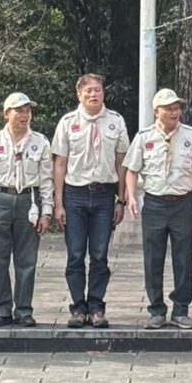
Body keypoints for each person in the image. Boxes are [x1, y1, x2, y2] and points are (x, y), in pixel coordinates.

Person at [125, 88, 192, 331]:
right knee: (152, 258)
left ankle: (181, 309)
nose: (175, 112)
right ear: (157, 111)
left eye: (177, 108)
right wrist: (131, 196)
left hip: (182, 203)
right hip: (154, 203)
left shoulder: (190, 135)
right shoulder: (144, 137)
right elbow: (131, 170)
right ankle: (156, 310)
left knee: (183, 257)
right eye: (169, 108)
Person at [53, 74, 130, 328]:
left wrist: (121, 199)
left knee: (99, 254)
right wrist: (58, 203)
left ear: (103, 93)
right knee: (75, 254)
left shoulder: (116, 121)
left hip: (104, 194)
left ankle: (96, 306)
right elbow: (60, 164)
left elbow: (122, 162)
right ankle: (78, 307)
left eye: (97, 90)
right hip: (75, 194)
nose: (93, 95)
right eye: (88, 91)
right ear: (79, 95)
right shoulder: (68, 122)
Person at [0, 92, 52, 329]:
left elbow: (46, 179)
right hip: (0, 199)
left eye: (27, 110)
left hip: (29, 200)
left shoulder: (40, 141)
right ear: (6, 113)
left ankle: (23, 310)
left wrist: (46, 211)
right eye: (19, 110)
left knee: (26, 260)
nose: (24, 115)